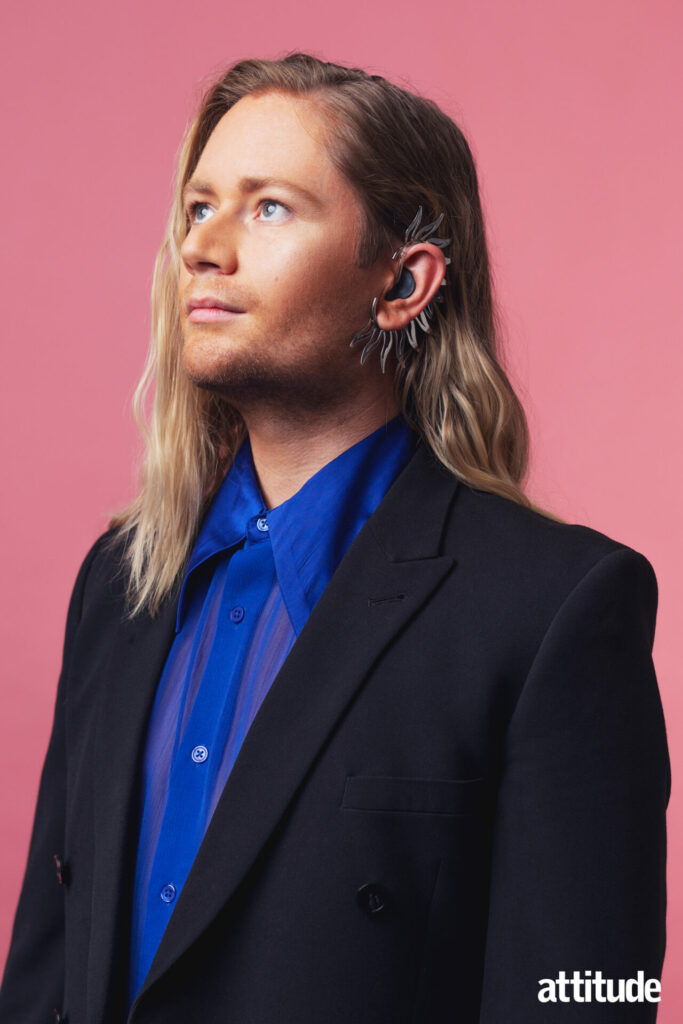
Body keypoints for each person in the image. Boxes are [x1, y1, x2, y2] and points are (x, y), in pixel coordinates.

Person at [0, 52, 670, 1024]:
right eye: (198, 206)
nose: (204, 246)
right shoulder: (119, 584)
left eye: (268, 207)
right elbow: (46, 973)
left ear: (401, 281)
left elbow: (589, 995)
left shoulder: (549, 608)